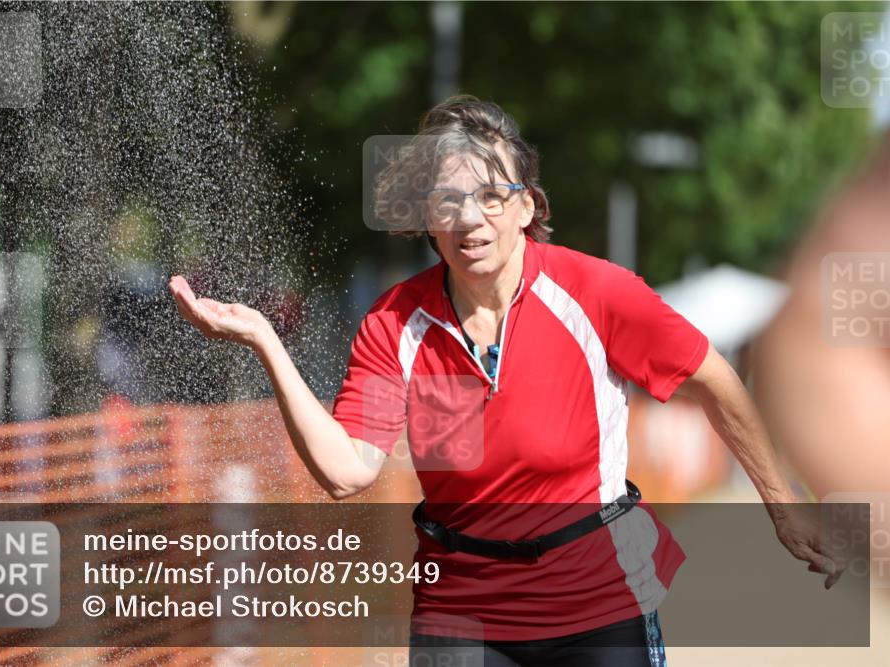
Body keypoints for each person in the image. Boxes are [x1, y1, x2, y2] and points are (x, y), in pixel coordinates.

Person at [169, 95, 843, 667]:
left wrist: (780, 503)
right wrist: (265, 341)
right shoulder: (394, 323)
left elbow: (714, 380)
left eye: (493, 197)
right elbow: (347, 469)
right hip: (460, 612)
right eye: (449, 201)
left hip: (598, 598)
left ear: (527, 208)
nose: (471, 220)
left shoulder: (596, 293)